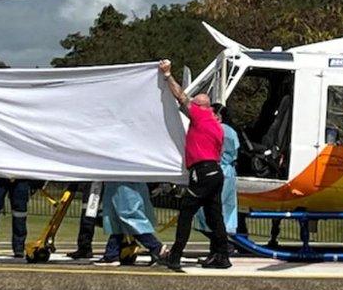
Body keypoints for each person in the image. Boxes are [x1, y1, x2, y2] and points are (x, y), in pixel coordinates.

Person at [159, 59, 231, 271]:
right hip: (215, 172)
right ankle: (222, 255)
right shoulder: (217, 127)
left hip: (203, 171)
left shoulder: (199, 116)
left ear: (201, 107)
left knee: (186, 212)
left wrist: (167, 75)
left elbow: (180, 96)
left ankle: (175, 255)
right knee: (214, 216)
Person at [94, 182, 168, 266]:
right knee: (117, 221)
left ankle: (156, 247)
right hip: (119, 182)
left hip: (123, 183)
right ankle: (111, 254)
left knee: (129, 219)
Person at [194, 103, 239, 238]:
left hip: (217, 169)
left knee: (210, 209)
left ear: (218, 116)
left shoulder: (216, 129)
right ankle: (222, 242)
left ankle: (220, 244)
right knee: (224, 208)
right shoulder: (231, 132)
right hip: (229, 172)